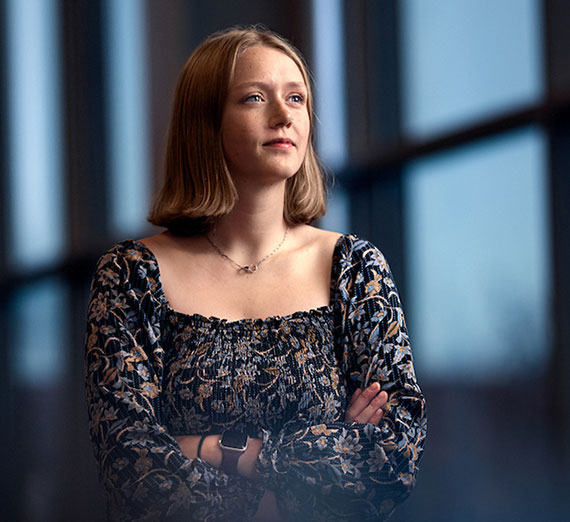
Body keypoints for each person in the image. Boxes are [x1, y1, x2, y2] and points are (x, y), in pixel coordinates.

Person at [84, 26, 426, 522]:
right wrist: (289, 490)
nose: (283, 115)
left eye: (296, 98)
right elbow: (130, 465)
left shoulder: (356, 268)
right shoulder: (131, 275)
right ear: (206, 122)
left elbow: (391, 457)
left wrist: (226, 451)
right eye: (253, 97)